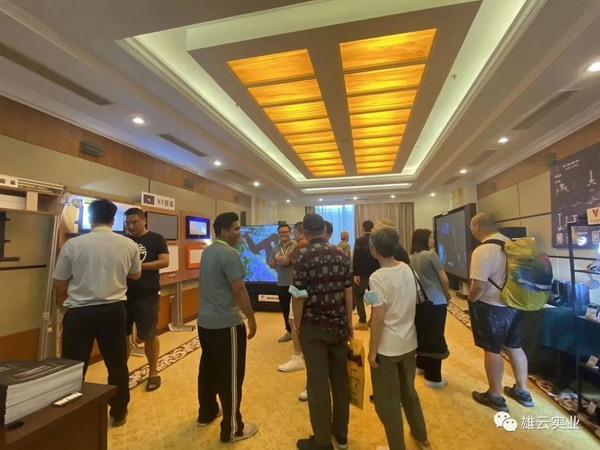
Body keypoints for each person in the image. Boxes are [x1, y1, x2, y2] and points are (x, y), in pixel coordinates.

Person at [53, 199, 141, 427]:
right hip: (113, 310)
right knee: (117, 363)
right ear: (113, 219)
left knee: (74, 366)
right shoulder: (128, 244)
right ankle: (119, 410)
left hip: (79, 312)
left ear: (90, 218)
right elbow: (135, 275)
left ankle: (72, 412)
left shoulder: (73, 245)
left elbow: (59, 281)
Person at [292, 213, 353, 450]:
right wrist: (349, 323)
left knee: (318, 384)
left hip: (314, 326)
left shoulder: (303, 255)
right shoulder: (341, 253)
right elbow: (348, 291)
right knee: (340, 381)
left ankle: (322, 441)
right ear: (324, 230)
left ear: (306, 232)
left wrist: (298, 325)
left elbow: (299, 295)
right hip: (339, 325)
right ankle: (341, 435)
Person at [197, 212, 259, 443]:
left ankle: (207, 412)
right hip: (226, 325)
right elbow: (239, 290)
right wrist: (251, 318)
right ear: (223, 231)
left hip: (205, 323)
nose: (239, 233)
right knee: (231, 376)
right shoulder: (230, 253)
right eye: (235, 228)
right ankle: (233, 429)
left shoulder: (208, 251)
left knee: (209, 369)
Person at [367, 226, 430, 450]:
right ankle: (421, 436)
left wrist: (372, 351)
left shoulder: (377, 277)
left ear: (374, 250)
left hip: (386, 347)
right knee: (409, 393)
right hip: (409, 341)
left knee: (387, 400)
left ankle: (396, 446)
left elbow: (378, 317)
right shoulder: (407, 268)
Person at [468, 212, 533, 412]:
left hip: (492, 306)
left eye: (471, 227)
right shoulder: (512, 244)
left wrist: (471, 299)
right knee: (515, 345)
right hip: (515, 303)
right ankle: (522, 391)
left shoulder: (483, 250)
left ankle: (495, 395)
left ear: (477, 227)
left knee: (492, 349)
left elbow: (478, 285)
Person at [124, 208, 169, 391]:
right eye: (127, 223)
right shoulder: (123, 240)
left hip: (147, 296)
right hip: (123, 295)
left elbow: (164, 261)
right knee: (122, 336)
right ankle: (122, 373)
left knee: (149, 335)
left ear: (144, 221)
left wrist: (139, 267)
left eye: (134, 222)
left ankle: (153, 373)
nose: (130, 226)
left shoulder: (156, 239)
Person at [410, 229, 451, 388]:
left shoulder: (410, 257)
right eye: (431, 237)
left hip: (419, 301)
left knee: (422, 334)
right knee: (435, 336)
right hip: (436, 300)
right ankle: (433, 377)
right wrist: (447, 294)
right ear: (423, 240)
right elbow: (444, 279)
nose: (433, 240)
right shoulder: (431, 255)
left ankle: (420, 365)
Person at [278, 221, 308, 378]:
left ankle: (297, 356)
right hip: (304, 286)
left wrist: (280, 258)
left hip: (298, 287)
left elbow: (284, 260)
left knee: (293, 320)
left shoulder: (301, 244)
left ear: (299, 232)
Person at [268, 223, 296, 343]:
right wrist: (276, 260)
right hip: (282, 282)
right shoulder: (275, 247)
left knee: (297, 309)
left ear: (290, 233)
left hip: (295, 283)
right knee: (285, 309)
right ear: (278, 234)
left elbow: (297, 260)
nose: (283, 234)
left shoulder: (296, 245)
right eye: (281, 232)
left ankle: (299, 332)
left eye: (286, 232)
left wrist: (287, 261)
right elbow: (270, 263)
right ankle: (289, 331)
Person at [352, 220, 379, 330]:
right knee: (375, 297)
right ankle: (373, 319)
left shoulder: (359, 241)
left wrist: (355, 274)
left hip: (362, 273)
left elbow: (356, 258)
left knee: (358, 296)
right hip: (376, 273)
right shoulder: (376, 240)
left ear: (363, 228)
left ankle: (362, 320)